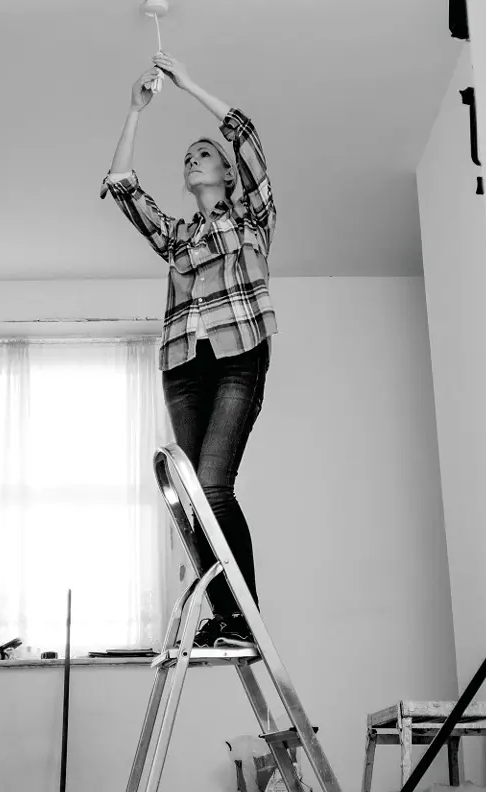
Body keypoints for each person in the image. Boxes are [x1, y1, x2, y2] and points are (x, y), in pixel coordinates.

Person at [101, 52, 277, 649]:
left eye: (203, 153)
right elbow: (124, 188)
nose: (192, 159)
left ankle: (245, 616)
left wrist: (187, 83)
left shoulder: (251, 217)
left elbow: (245, 135)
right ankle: (227, 619)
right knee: (193, 499)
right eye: (187, 158)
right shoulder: (178, 238)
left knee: (213, 485)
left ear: (226, 173)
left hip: (238, 356)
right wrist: (135, 110)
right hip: (183, 367)